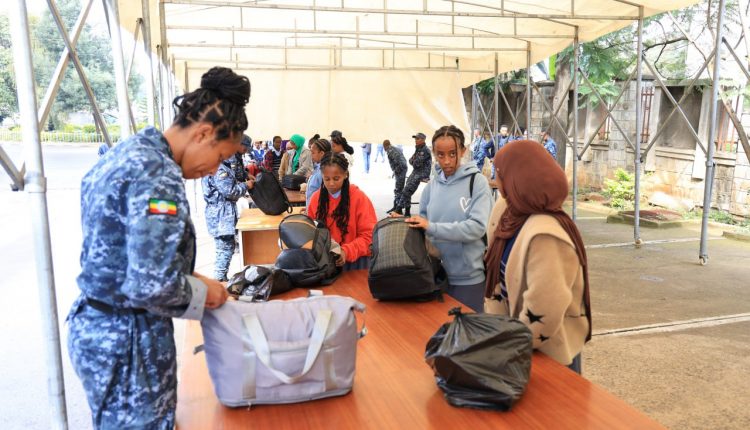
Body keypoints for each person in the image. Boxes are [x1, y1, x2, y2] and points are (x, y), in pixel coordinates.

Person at [66, 66, 245, 428]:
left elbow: (125, 255)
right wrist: (206, 295)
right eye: (220, 158)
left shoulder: (130, 152)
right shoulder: (158, 175)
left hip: (103, 327)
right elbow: (150, 285)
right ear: (203, 133)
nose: (215, 170)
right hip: (128, 341)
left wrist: (193, 277)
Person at [483, 139, 591, 374]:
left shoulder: (546, 235)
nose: (495, 180)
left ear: (517, 179)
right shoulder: (509, 213)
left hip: (546, 353)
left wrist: (506, 348)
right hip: (517, 343)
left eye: (500, 173)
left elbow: (544, 309)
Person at [404, 126, 492, 312]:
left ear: (463, 151)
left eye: (452, 154)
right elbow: (422, 226)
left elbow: (477, 227)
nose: (446, 161)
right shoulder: (431, 187)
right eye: (440, 155)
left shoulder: (477, 183)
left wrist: (432, 227)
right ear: (434, 154)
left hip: (468, 280)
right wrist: (402, 222)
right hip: (434, 276)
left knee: (468, 329)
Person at [308, 152, 377, 271]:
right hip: (324, 263)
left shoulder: (359, 198)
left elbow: (370, 236)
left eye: (336, 178)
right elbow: (310, 232)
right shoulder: (316, 199)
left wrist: (346, 251)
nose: (331, 183)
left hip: (356, 263)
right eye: (326, 179)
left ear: (345, 174)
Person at [202, 139, 256, 281]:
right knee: (225, 248)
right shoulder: (219, 169)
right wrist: (247, 186)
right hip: (221, 215)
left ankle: (220, 278)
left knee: (225, 247)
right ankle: (219, 280)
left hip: (221, 212)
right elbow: (230, 192)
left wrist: (245, 178)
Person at [390, 132, 431, 217]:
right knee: (406, 187)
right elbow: (410, 160)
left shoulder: (425, 150)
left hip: (422, 173)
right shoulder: (418, 149)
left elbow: (416, 163)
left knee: (407, 190)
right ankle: (407, 211)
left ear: (423, 140)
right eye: (415, 138)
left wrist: (413, 160)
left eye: (417, 138)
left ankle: (398, 209)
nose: (415, 140)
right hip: (416, 171)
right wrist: (413, 160)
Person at [383, 139, 407, 215]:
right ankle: (396, 206)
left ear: (385, 146)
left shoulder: (390, 151)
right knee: (398, 189)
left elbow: (399, 162)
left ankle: (398, 209)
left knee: (399, 189)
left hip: (400, 170)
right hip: (401, 169)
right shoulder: (394, 148)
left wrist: (396, 171)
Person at [306, 137, 332, 208]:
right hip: (312, 208)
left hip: (318, 210)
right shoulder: (317, 168)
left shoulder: (323, 171)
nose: (311, 155)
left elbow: (324, 196)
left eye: (313, 153)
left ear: (322, 153)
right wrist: (308, 207)